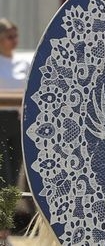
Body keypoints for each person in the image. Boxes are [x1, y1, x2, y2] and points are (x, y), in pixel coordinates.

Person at [0, 18, 30, 242]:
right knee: (4, 175)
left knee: (13, 180)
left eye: (15, 35)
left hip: (17, 121)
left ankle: (5, 228)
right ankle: (3, 229)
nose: (14, 41)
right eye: (9, 36)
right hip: (0, 119)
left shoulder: (23, 63)